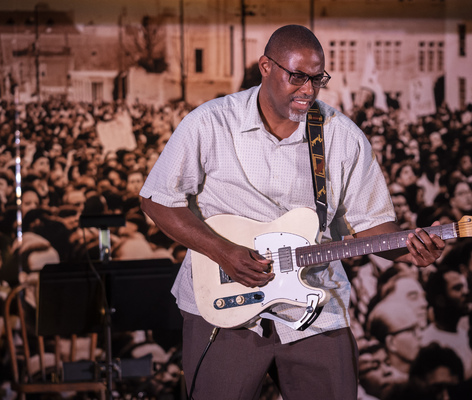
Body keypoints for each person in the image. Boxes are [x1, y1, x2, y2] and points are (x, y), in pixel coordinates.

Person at [139, 25, 444, 400]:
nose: (308, 90)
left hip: (316, 309)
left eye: (318, 79)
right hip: (222, 306)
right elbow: (156, 198)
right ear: (265, 66)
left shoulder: (341, 136)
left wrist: (410, 248)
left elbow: (373, 228)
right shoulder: (210, 122)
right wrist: (224, 253)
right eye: (297, 76)